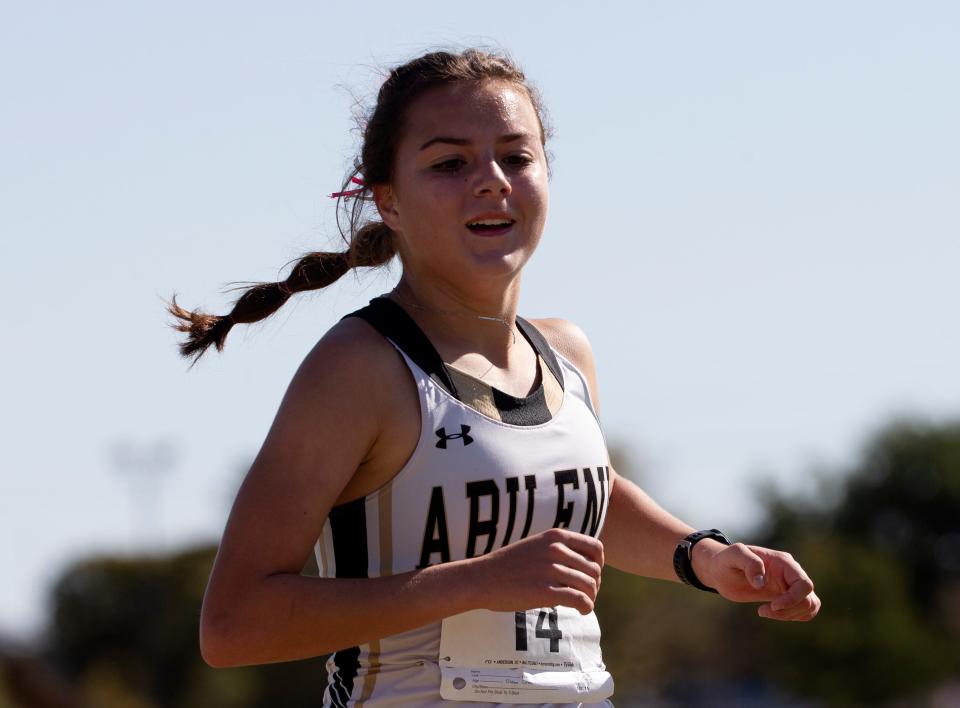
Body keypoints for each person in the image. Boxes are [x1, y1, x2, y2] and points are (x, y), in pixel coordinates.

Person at [171, 48, 820, 707]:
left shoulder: (566, 352)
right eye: (450, 162)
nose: (492, 181)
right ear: (387, 202)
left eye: (516, 156)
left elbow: (578, 493)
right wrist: (473, 582)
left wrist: (701, 557)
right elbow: (232, 627)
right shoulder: (359, 368)